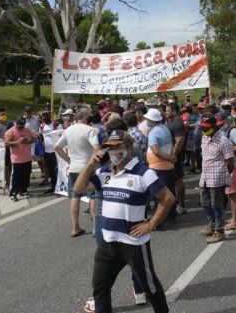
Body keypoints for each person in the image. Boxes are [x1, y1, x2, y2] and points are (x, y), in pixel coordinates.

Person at [74, 130, 174, 313]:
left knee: (150, 288)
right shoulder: (104, 172)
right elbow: (78, 188)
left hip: (133, 244)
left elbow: (167, 198)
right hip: (108, 242)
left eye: (117, 147)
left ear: (129, 148)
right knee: (100, 288)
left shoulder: (144, 173)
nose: (112, 152)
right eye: (109, 148)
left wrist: (151, 224)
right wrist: (90, 164)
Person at [55, 108, 100, 236]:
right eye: (89, 114)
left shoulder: (69, 130)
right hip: (88, 167)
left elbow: (56, 147)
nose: (91, 116)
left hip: (74, 167)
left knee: (75, 197)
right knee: (93, 196)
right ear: (85, 116)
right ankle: (95, 228)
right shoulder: (89, 130)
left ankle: (75, 228)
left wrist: (68, 160)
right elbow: (97, 149)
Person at [199, 114, 235, 244]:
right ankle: (212, 226)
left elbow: (230, 162)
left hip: (217, 178)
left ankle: (219, 231)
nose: (204, 131)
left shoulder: (224, 141)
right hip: (205, 176)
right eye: (203, 128)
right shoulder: (204, 137)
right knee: (205, 203)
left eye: (207, 128)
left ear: (214, 127)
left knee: (216, 205)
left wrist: (223, 175)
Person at [145, 108, 177, 223]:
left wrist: (169, 157)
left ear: (151, 120)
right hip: (169, 166)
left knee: (160, 194)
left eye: (147, 118)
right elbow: (171, 145)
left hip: (158, 167)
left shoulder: (153, 133)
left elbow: (156, 151)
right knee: (171, 191)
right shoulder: (165, 128)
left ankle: (159, 221)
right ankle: (172, 215)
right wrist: (172, 156)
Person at [219, 113, 236, 230]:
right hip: (229, 165)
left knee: (233, 193)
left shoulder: (233, 131)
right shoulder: (225, 131)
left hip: (234, 165)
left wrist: (227, 150)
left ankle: (235, 221)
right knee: (231, 193)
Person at [4, 117, 37, 201]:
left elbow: (34, 137)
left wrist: (29, 141)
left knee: (26, 176)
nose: (22, 127)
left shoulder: (27, 129)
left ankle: (24, 190)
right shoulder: (10, 131)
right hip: (16, 159)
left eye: (23, 125)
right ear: (16, 123)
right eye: (20, 125)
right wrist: (17, 141)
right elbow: (6, 143)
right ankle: (13, 193)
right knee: (16, 177)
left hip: (27, 157)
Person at [166, 103, 187, 215]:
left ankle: (181, 205)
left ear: (174, 111)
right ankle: (175, 202)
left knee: (179, 180)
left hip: (175, 157)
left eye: (168, 110)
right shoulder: (170, 122)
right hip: (169, 156)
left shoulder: (178, 124)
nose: (166, 112)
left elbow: (179, 142)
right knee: (173, 180)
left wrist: (173, 155)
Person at [40, 111, 62, 194]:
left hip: (56, 152)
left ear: (50, 116)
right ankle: (53, 187)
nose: (44, 117)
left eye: (46, 116)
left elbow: (61, 135)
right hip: (47, 152)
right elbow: (41, 137)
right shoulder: (42, 126)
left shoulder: (56, 125)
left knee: (57, 170)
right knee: (51, 171)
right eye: (43, 116)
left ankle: (59, 186)